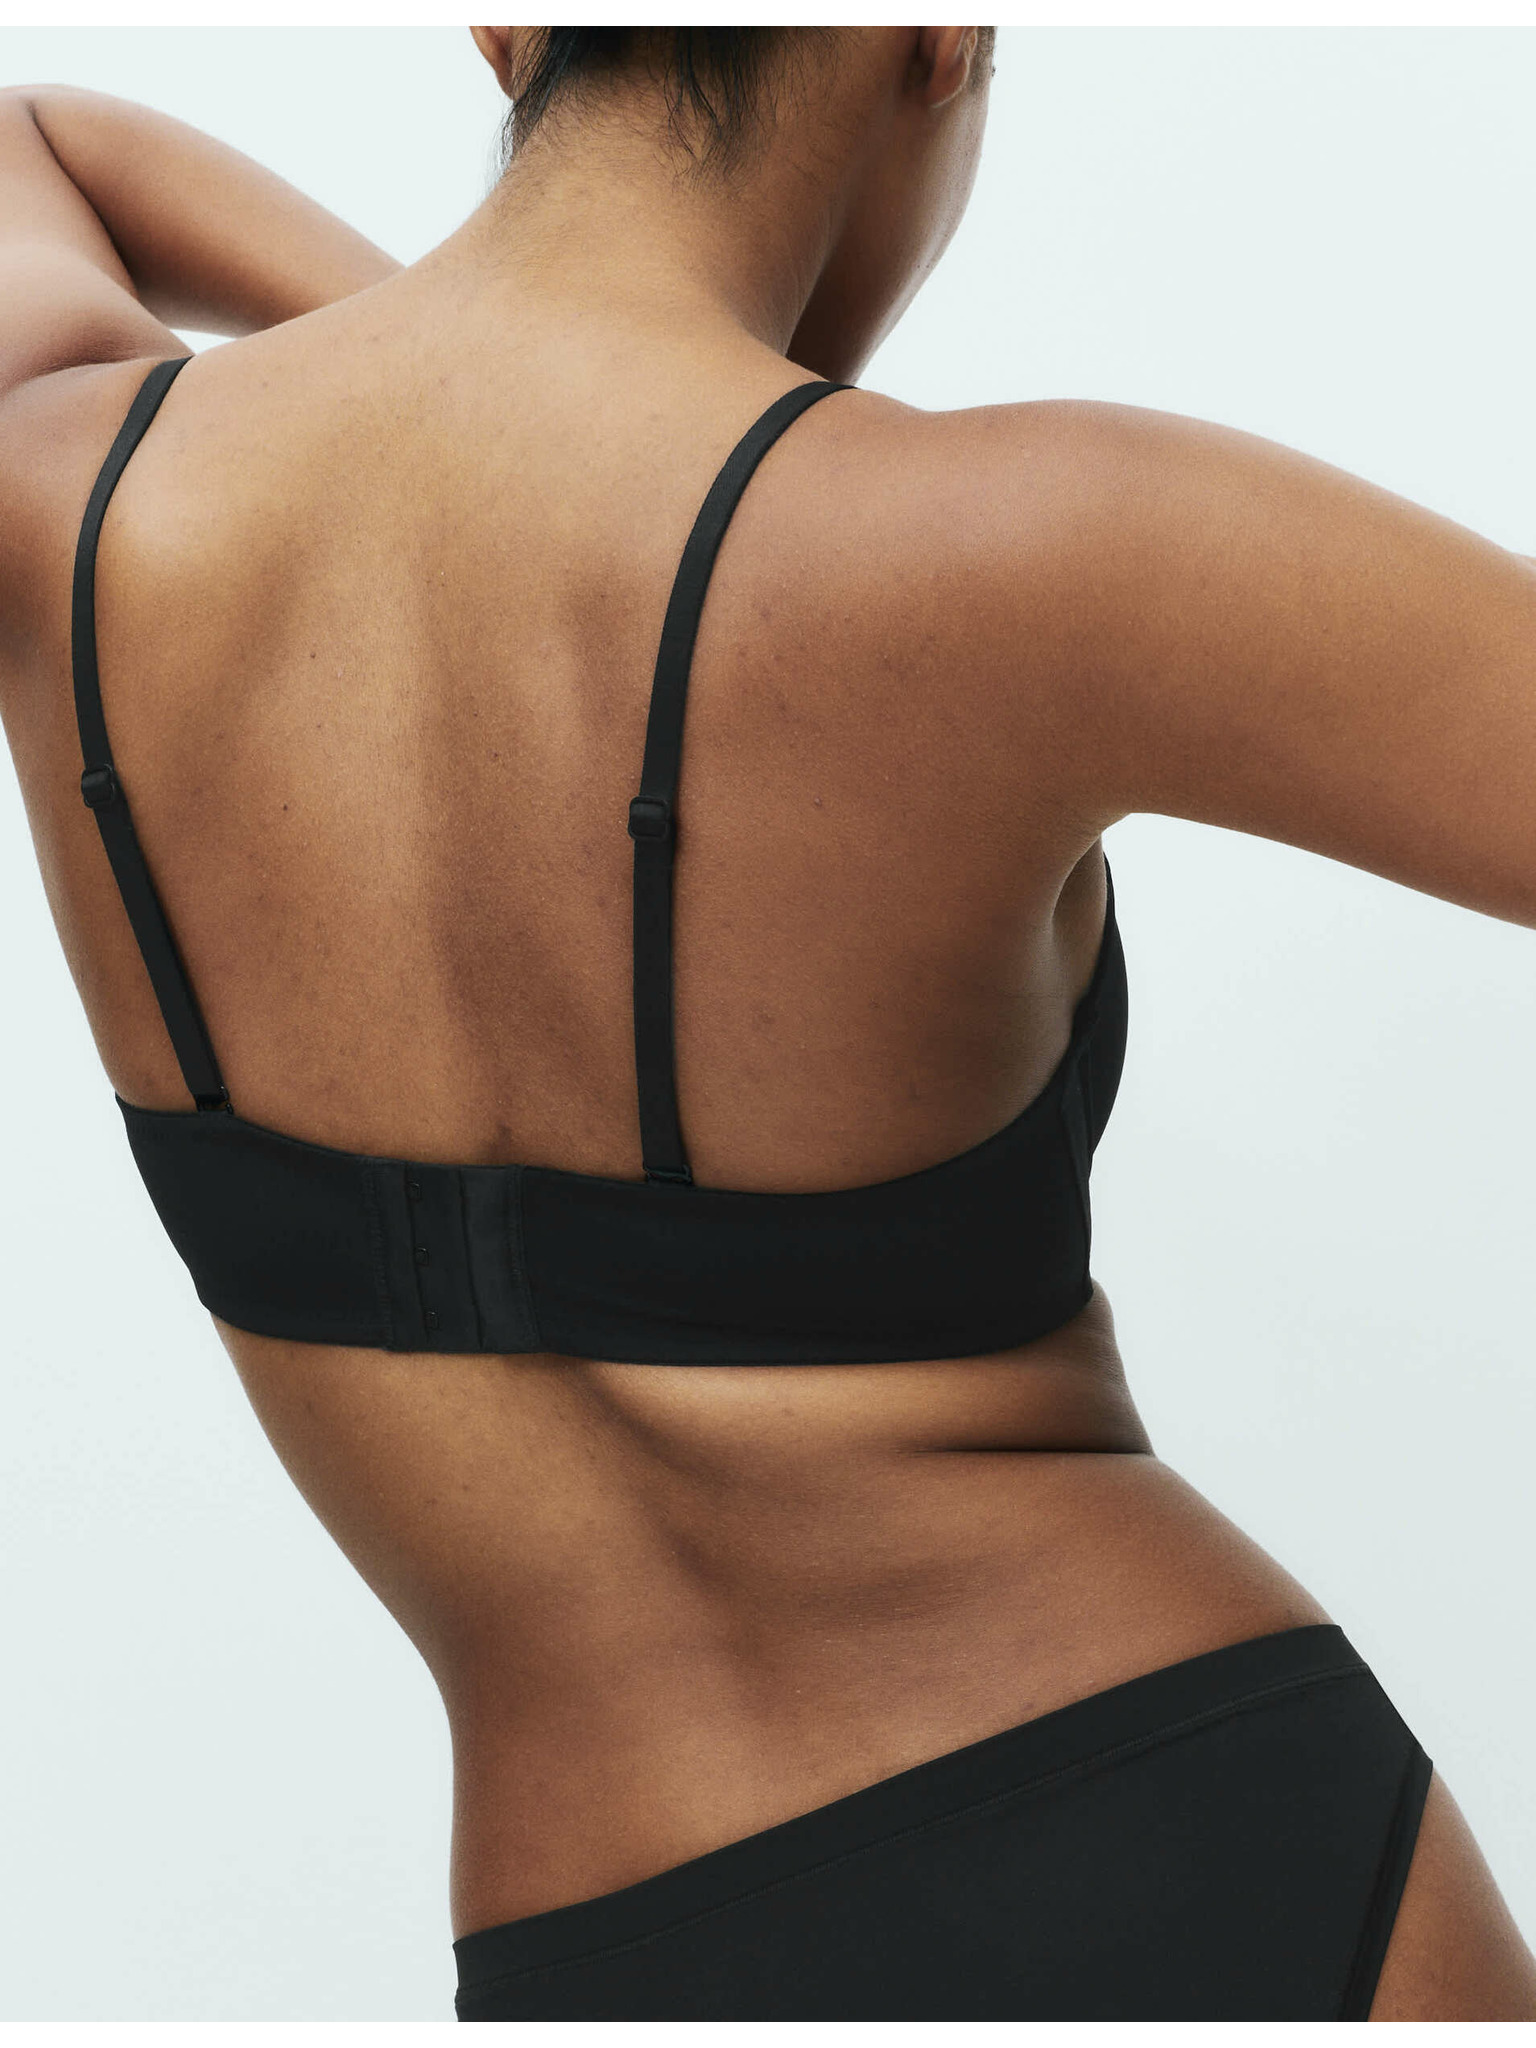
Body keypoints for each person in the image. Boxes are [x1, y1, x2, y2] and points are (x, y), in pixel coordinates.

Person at [0, 25, 1532, 2022]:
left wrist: (464, 400)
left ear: (505, 28)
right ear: (943, 38)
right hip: (1208, 1834)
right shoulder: (1023, 540)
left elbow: (31, 138)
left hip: (610, 1936)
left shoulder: (64, 507)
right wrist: (603, 417)